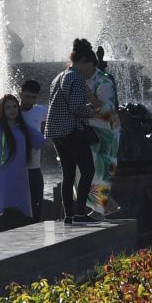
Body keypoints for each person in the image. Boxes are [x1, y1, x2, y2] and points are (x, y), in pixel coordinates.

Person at [44, 40, 99, 223]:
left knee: (68, 174)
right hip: (71, 131)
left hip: (56, 132)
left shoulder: (59, 76)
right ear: (83, 61)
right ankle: (80, 213)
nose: (89, 71)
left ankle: (69, 215)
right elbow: (76, 107)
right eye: (90, 66)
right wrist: (92, 111)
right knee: (88, 170)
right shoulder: (75, 77)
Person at [0, 93, 43, 228]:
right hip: (2, 179)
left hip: (21, 179)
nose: (12, 110)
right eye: (8, 107)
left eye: (14, 106)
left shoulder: (24, 129)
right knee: (1, 213)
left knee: (23, 214)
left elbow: (43, 141)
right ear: (2, 110)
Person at [88, 48, 123, 215]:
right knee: (94, 170)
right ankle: (104, 205)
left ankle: (102, 207)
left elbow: (108, 110)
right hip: (94, 130)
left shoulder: (105, 81)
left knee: (100, 170)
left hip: (104, 131)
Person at [19, 78, 49, 218]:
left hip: (34, 169)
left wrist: (48, 138)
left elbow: (57, 118)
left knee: (37, 208)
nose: (29, 100)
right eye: (26, 97)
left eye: (33, 98)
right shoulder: (13, 111)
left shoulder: (40, 111)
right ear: (20, 94)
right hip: (16, 170)